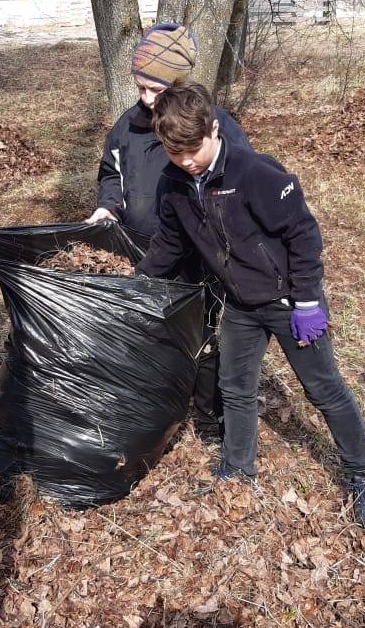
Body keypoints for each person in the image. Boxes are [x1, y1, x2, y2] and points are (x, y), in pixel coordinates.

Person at [135, 83, 365, 531]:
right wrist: (139, 281)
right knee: (235, 388)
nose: (187, 160)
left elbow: (303, 235)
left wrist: (308, 299)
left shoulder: (256, 173)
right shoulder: (174, 183)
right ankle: (238, 469)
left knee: (322, 388)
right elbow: (171, 243)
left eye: (193, 149)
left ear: (214, 129)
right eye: (175, 153)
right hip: (239, 303)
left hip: (289, 300)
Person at [87, 23, 252, 443]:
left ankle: (210, 416)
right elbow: (111, 171)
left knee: (204, 335)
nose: (146, 99)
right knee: (150, 333)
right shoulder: (127, 126)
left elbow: (241, 187)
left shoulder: (216, 128)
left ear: (179, 84)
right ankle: (153, 406)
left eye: (155, 90)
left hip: (201, 259)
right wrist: (109, 205)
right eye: (140, 87)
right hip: (145, 252)